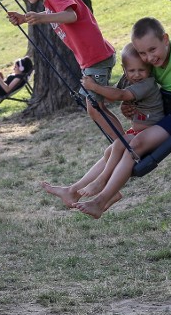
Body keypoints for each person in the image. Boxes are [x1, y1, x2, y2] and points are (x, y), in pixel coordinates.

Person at [44, 17, 171, 218]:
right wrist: (129, 106)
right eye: (143, 53)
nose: (149, 58)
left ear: (165, 39)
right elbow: (137, 89)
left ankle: (101, 199)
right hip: (167, 110)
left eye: (152, 50)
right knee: (115, 148)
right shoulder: (150, 63)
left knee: (135, 145)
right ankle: (74, 190)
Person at [5, 0, 122, 139]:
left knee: (95, 108)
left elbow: (71, 15)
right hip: (93, 58)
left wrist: (40, 18)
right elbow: (54, 14)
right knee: (95, 108)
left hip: (96, 57)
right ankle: (121, 142)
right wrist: (24, 18)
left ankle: (123, 144)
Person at [43, 43, 164, 201]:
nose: (136, 75)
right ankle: (73, 191)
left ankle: (101, 182)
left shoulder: (147, 84)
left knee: (120, 144)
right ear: (124, 69)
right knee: (109, 152)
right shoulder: (127, 79)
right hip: (136, 132)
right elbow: (110, 95)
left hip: (151, 133)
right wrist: (93, 95)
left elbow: (120, 95)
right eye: (131, 70)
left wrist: (94, 86)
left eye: (141, 70)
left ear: (149, 68)